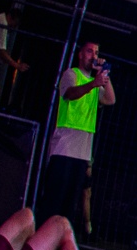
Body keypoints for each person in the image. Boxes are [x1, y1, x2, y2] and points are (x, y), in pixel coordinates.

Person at [35, 41, 115, 237]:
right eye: (89, 51)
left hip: (82, 152)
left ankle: (59, 243)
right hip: (64, 148)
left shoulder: (95, 84)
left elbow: (110, 99)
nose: (93, 55)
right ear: (80, 54)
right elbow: (70, 93)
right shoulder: (72, 74)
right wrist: (93, 83)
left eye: (96, 52)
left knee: (70, 205)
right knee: (54, 200)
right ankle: (40, 240)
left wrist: (104, 75)